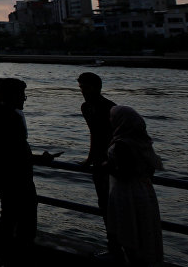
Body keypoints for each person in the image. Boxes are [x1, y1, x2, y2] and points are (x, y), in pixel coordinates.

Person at [0, 78, 56, 265]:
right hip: (17, 180)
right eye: (22, 95)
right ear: (13, 96)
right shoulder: (9, 118)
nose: (24, 99)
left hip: (6, 179)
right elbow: (14, 155)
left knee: (8, 218)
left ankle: (1, 257)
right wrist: (41, 159)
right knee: (24, 224)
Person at [105, 106, 164, 266]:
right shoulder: (143, 142)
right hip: (145, 190)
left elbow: (124, 173)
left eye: (112, 118)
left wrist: (106, 166)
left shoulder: (121, 144)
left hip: (126, 193)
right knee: (145, 232)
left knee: (129, 230)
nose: (110, 121)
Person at [78, 72, 117, 252]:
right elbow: (95, 134)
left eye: (85, 88)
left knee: (114, 205)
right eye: (81, 88)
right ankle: (113, 245)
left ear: (96, 88)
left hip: (111, 162)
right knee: (104, 203)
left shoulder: (110, 109)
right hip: (100, 162)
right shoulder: (87, 108)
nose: (82, 91)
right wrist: (90, 159)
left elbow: (113, 137)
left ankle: (117, 246)